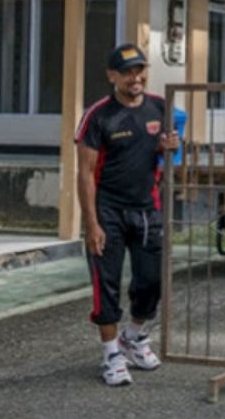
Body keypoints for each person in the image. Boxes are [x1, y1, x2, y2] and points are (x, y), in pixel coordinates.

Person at [76, 43, 180, 386]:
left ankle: (133, 338)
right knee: (105, 286)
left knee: (150, 282)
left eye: (139, 70)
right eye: (127, 72)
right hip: (108, 212)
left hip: (148, 209)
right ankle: (111, 356)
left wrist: (170, 148)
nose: (135, 77)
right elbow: (85, 173)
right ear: (112, 76)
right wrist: (91, 223)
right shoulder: (99, 115)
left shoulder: (160, 107)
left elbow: (167, 152)